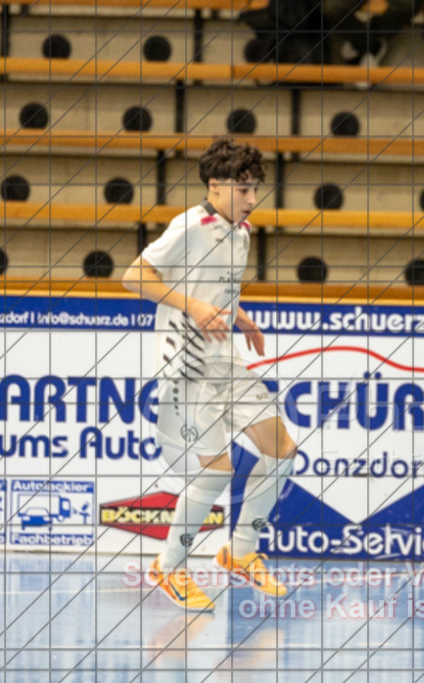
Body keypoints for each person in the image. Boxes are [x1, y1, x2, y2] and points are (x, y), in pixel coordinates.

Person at [122, 136, 296, 611]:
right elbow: (134, 277)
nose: (252, 199)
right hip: (186, 367)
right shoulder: (189, 225)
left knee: (282, 450)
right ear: (215, 185)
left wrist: (241, 317)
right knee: (216, 471)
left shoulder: (241, 232)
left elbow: (218, 289)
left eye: (255, 189)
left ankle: (240, 552)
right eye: (243, 189)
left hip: (225, 361)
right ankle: (169, 566)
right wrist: (194, 307)